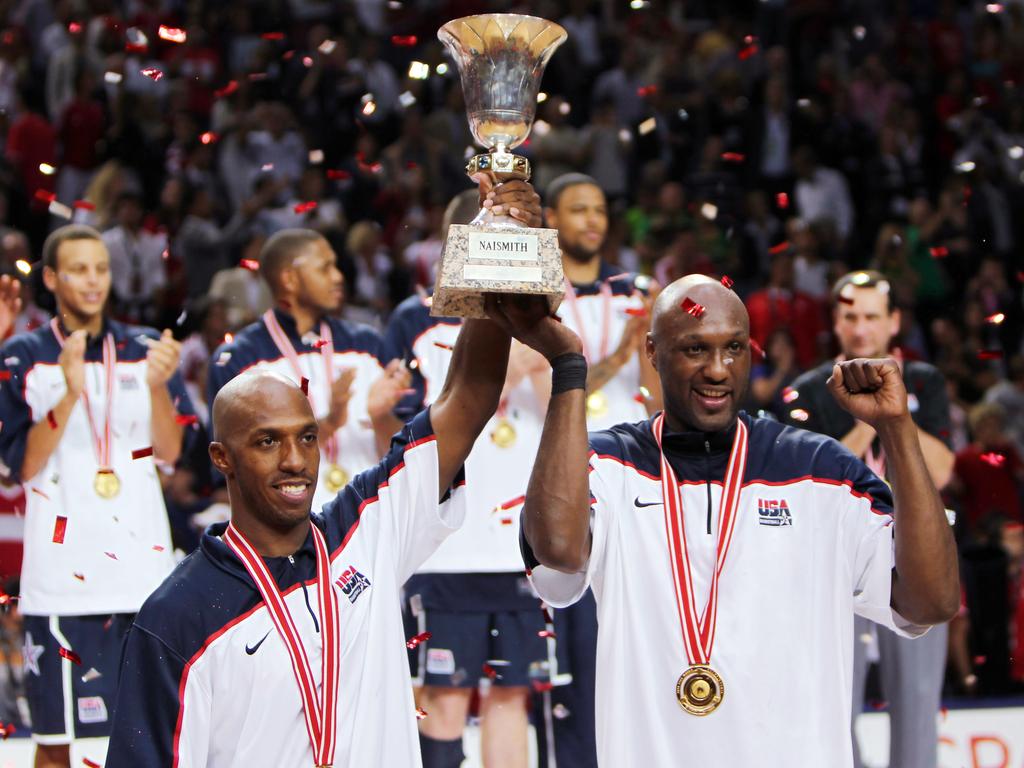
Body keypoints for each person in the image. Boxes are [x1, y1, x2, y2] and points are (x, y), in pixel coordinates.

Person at [104, 182, 548, 767]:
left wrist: (501, 240)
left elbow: (465, 398)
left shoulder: (365, 532)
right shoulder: (177, 615)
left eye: (307, 437)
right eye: (267, 442)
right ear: (221, 459)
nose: (294, 461)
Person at [508, 274, 958, 767]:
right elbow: (556, 547)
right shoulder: (607, 464)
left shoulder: (820, 470)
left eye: (734, 348)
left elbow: (932, 601)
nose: (718, 370)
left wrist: (896, 431)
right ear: (653, 352)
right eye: (695, 349)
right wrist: (570, 369)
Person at [0, 225, 194, 768]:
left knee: (148, 738)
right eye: (80, 269)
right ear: (52, 278)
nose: (93, 281)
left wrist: (158, 386)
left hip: (143, 575)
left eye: (101, 269)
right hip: (62, 580)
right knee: (57, 747)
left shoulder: (144, 351)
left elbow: (172, 452)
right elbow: (22, 467)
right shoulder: (24, 355)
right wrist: (67, 396)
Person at [386, 189, 553, 768]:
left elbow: (560, 410)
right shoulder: (415, 319)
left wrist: (542, 361)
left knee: (511, 695)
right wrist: (511, 369)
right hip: (447, 549)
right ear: (460, 241)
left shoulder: (538, 312)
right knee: (444, 696)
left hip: (519, 548)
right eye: (490, 233)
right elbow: (415, 423)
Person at [784, 270, 955, 768]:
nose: (862, 330)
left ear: (894, 322)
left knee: (919, 701)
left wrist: (895, 414)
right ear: (836, 323)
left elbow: (943, 468)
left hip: (920, 551)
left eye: (872, 317)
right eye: (851, 317)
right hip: (838, 560)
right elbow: (809, 482)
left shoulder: (925, 381)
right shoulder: (811, 390)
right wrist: (866, 415)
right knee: (836, 701)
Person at [537, 173, 662, 768]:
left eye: (600, 209)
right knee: (573, 649)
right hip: (563, 477)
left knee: (633, 640)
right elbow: (550, 393)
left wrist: (655, 343)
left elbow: (659, 393)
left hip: (631, 478)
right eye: (578, 209)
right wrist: (616, 355)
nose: (592, 219)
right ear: (553, 220)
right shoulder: (538, 297)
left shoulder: (636, 293)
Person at [207, 227, 411, 512]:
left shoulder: (368, 345)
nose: (338, 276)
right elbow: (240, 467)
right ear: (289, 279)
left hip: (372, 518)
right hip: (289, 528)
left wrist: (381, 417)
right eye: (325, 268)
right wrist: (327, 424)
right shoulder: (240, 359)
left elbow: (409, 453)